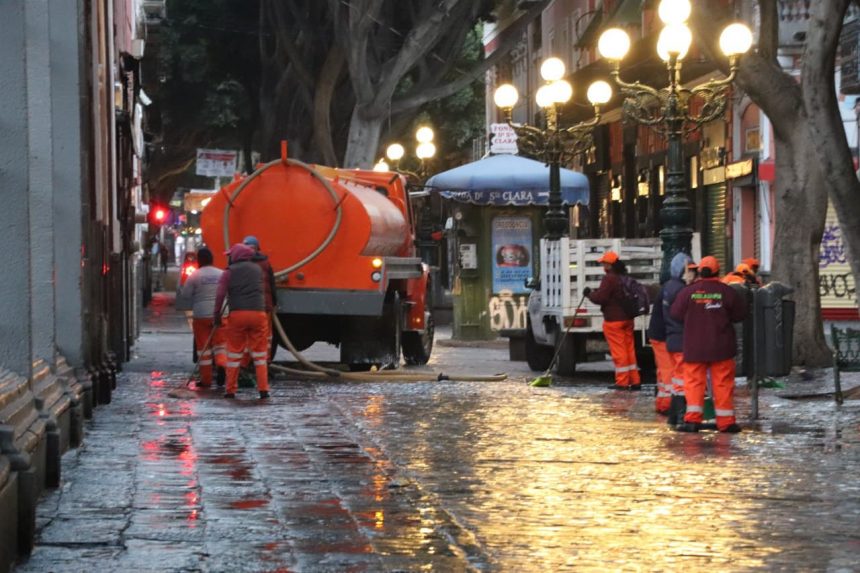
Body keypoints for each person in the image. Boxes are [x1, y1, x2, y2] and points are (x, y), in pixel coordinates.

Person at [670, 256, 748, 433]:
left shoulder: (688, 292)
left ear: (699, 271)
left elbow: (675, 313)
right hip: (721, 347)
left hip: (695, 347)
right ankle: (726, 422)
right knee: (722, 384)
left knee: (693, 383)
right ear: (717, 271)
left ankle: (692, 420)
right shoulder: (726, 292)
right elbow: (740, 314)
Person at [214, 243, 271, 399]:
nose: (229, 258)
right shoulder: (257, 270)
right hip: (259, 314)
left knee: (234, 354)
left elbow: (220, 294)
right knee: (259, 355)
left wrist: (216, 314)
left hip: (238, 314)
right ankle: (263, 389)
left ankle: (230, 390)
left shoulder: (229, 272)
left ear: (236, 256)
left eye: (230, 255)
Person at [585, 250, 641, 390]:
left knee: (619, 352)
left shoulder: (609, 278)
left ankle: (622, 382)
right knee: (629, 350)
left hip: (614, 321)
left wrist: (589, 294)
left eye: (604, 263)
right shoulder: (623, 277)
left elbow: (601, 298)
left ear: (609, 265)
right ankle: (635, 380)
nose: (602, 265)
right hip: (628, 319)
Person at [175, 247, 226, 388]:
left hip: (201, 315)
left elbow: (185, 295)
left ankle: (206, 380)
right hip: (221, 315)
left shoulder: (195, 276)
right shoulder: (222, 274)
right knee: (221, 345)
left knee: (204, 350)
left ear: (199, 261)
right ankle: (223, 365)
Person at [663, 253, 694, 425]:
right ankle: (681, 414)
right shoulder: (682, 291)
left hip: (672, 339)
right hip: (681, 339)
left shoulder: (669, 286)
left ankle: (674, 415)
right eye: (690, 270)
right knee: (683, 379)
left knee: (677, 379)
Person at [242, 235, 277, 357]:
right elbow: (272, 285)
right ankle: (264, 360)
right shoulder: (265, 263)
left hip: (247, 306)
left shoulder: (241, 264)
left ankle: (245, 363)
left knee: (246, 334)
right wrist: (274, 303)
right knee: (265, 335)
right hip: (264, 305)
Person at [646, 277, 672, 414]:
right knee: (668, 370)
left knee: (663, 370)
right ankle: (666, 404)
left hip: (657, 335)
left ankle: (662, 402)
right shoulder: (674, 289)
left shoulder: (668, 288)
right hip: (662, 336)